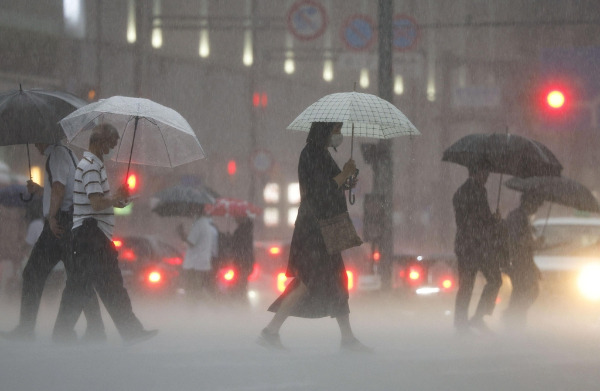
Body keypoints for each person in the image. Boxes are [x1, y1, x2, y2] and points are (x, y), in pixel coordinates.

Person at [258, 121, 369, 352]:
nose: (338, 135)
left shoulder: (322, 154)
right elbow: (322, 190)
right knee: (307, 282)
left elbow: (334, 186)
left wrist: (348, 178)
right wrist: (343, 176)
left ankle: (347, 339)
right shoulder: (311, 154)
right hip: (313, 230)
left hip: (323, 228)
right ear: (324, 132)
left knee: (336, 280)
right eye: (335, 130)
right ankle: (270, 331)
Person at [52, 124, 157, 344]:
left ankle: (62, 334)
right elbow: (97, 202)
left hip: (91, 235)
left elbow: (101, 202)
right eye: (110, 144)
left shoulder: (93, 165)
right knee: (102, 286)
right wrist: (113, 199)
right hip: (92, 235)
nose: (110, 150)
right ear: (99, 141)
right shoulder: (91, 166)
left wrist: (118, 198)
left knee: (86, 287)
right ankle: (129, 331)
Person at [1, 142, 105, 342]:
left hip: (60, 224)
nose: (35, 144)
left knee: (32, 273)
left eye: (37, 139)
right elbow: (60, 191)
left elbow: (59, 188)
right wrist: (41, 191)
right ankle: (96, 328)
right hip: (72, 221)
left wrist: (51, 217)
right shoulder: (69, 154)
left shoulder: (57, 154)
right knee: (78, 278)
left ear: (45, 136)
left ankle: (26, 328)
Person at [452, 163, 503, 335]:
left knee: (466, 285)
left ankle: (461, 323)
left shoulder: (461, 192)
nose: (488, 176)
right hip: (477, 246)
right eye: (486, 172)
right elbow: (481, 220)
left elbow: (469, 219)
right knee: (494, 279)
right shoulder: (478, 191)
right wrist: (494, 220)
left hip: (466, 245)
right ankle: (477, 317)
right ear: (479, 172)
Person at [504, 192, 544, 330]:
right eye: (536, 204)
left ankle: (515, 322)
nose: (537, 208)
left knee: (522, 293)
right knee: (526, 292)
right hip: (518, 263)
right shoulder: (517, 217)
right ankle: (513, 319)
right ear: (529, 202)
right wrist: (535, 243)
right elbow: (518, 241)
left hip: (522, 262)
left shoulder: (521, 217)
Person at [177, 204, 216, 303]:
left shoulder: (199, 224)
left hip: (194, 265)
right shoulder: (206, 224)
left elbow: (191, 243)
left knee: (191, 291)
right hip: (202, 264)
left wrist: (181, 233)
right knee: (197, 290)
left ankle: (192, 312)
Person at [231, 215, 254, 301]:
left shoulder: (240, 232)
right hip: (247, 263)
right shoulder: (248, 231)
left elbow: (235, 247)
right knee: (242, 286)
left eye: (236, 218)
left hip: (241, 263)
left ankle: (241, 303)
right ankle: (243, 303)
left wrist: (230, 237)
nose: (235, 219)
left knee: (239, 286)